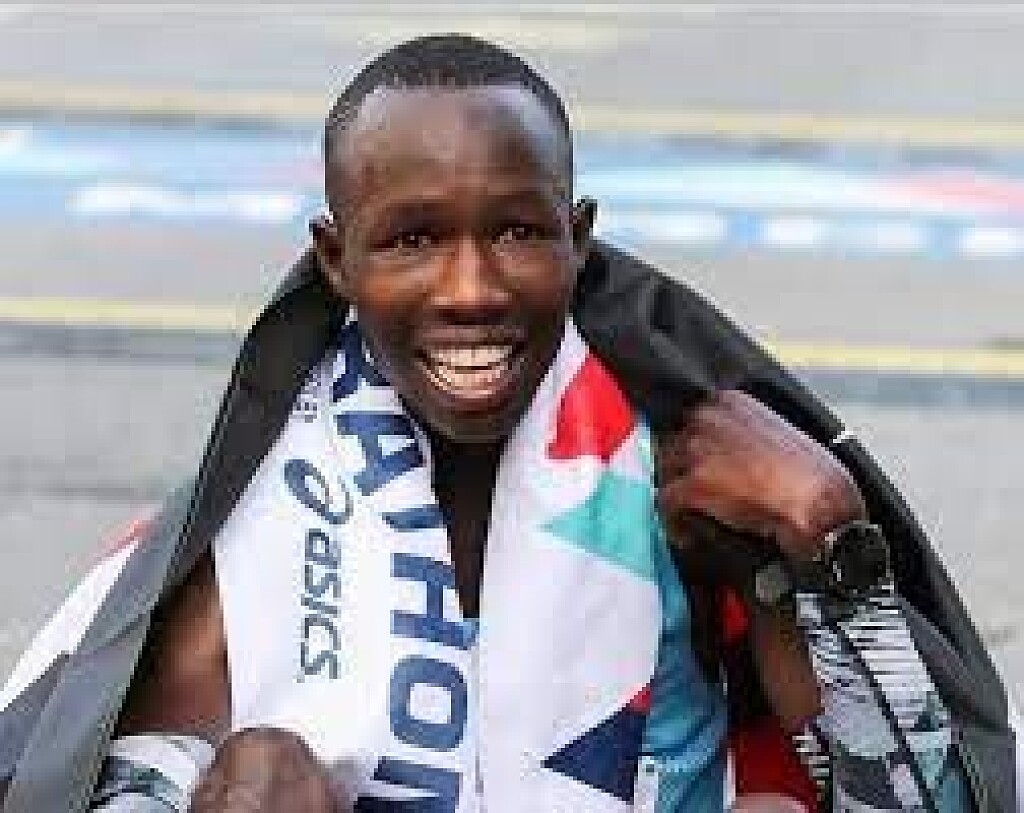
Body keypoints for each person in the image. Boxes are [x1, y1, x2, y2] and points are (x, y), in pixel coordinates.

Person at [0, 34, 1017, 813]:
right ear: (335, 260)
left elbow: (927, 804)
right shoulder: (262, 509)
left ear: (579, 238)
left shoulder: (688, 467)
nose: (472, 288)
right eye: (413, 240)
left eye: (519, 232)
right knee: (259, 780)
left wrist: (832, 546)